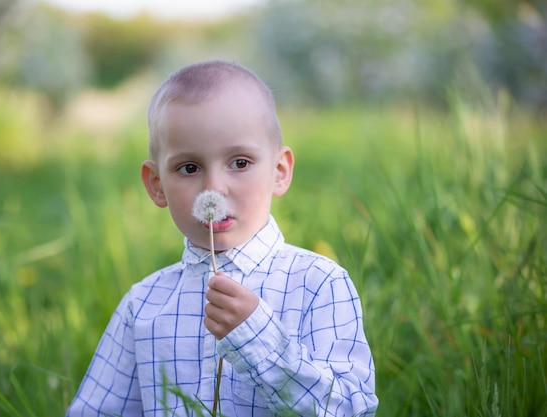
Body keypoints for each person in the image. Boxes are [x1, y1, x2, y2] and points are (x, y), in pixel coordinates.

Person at [66, 60, 378, 416]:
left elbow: (351, 409)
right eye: (189, 168)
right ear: (156, 185)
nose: (214, 187)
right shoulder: (143, 306)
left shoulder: (319, 285)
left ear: (279, 172)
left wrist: (258, 339)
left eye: (240, 163)